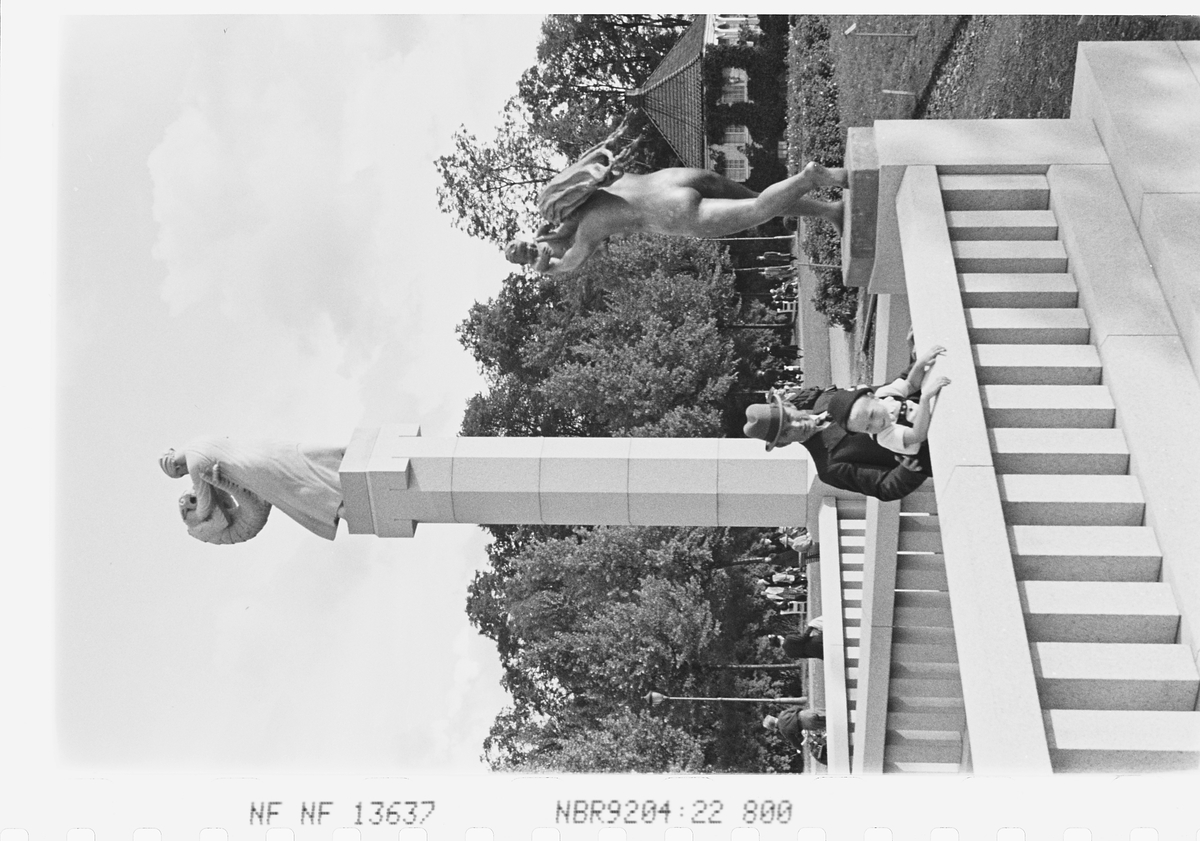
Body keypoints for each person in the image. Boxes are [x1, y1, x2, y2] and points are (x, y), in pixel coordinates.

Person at [504, 161, 847, 276]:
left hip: (675, 212)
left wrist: (547, 268)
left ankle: (810, 176)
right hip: (677, 178)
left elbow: (571, 261)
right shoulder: (604, 185)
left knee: (759, 211)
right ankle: (832, 211)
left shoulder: (591, 227)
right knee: (761, 198)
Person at [743, 387, 929, 501]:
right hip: (931, 452)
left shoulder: (829, 399)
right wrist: (907, 470)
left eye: (790, 418)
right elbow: (884, 487)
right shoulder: (830, 467)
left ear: (790, 406)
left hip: (934, 406)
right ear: (783, 444)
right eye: (785, 432)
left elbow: (882, 393)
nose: (797, 426)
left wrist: (915, 365)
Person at [159, 437, 345, 544]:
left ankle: (347, 507)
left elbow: (205, 507)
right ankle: (345, 457)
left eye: (181, 473)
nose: (186, 474)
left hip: (252, 471)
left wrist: (197, 518)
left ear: (176, 467)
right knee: (296, 461)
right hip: (260, 453)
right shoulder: (199, 441)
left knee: (298, 491)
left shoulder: (195, 463)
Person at [827, 345, 951, 459]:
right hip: (937, 445)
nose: (877, 424)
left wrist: (920, 364)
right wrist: (925, 399)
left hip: (938, 418)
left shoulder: (884, 395)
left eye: (872, 414)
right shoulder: (884, 437)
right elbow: (917, 435)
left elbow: (910, 384)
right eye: (868, 428)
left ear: (872, 397)